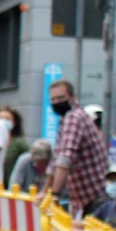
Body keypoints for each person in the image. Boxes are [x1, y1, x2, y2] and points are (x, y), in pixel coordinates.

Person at [37, 79, 108, 217]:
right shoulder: (66, 119)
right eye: (53, 99)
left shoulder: (74, 118)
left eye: (61, 98)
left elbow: (64, 159)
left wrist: (54, 194)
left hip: (93, 197)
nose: (57, 102)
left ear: (72, 97)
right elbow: (55, 160)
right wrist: (45, 191)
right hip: (84, 198)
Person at [0, 107, 29, 187]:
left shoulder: (19, 143)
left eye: (7, 119)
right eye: (0, 118)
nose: (3, 122)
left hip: (12, 186)